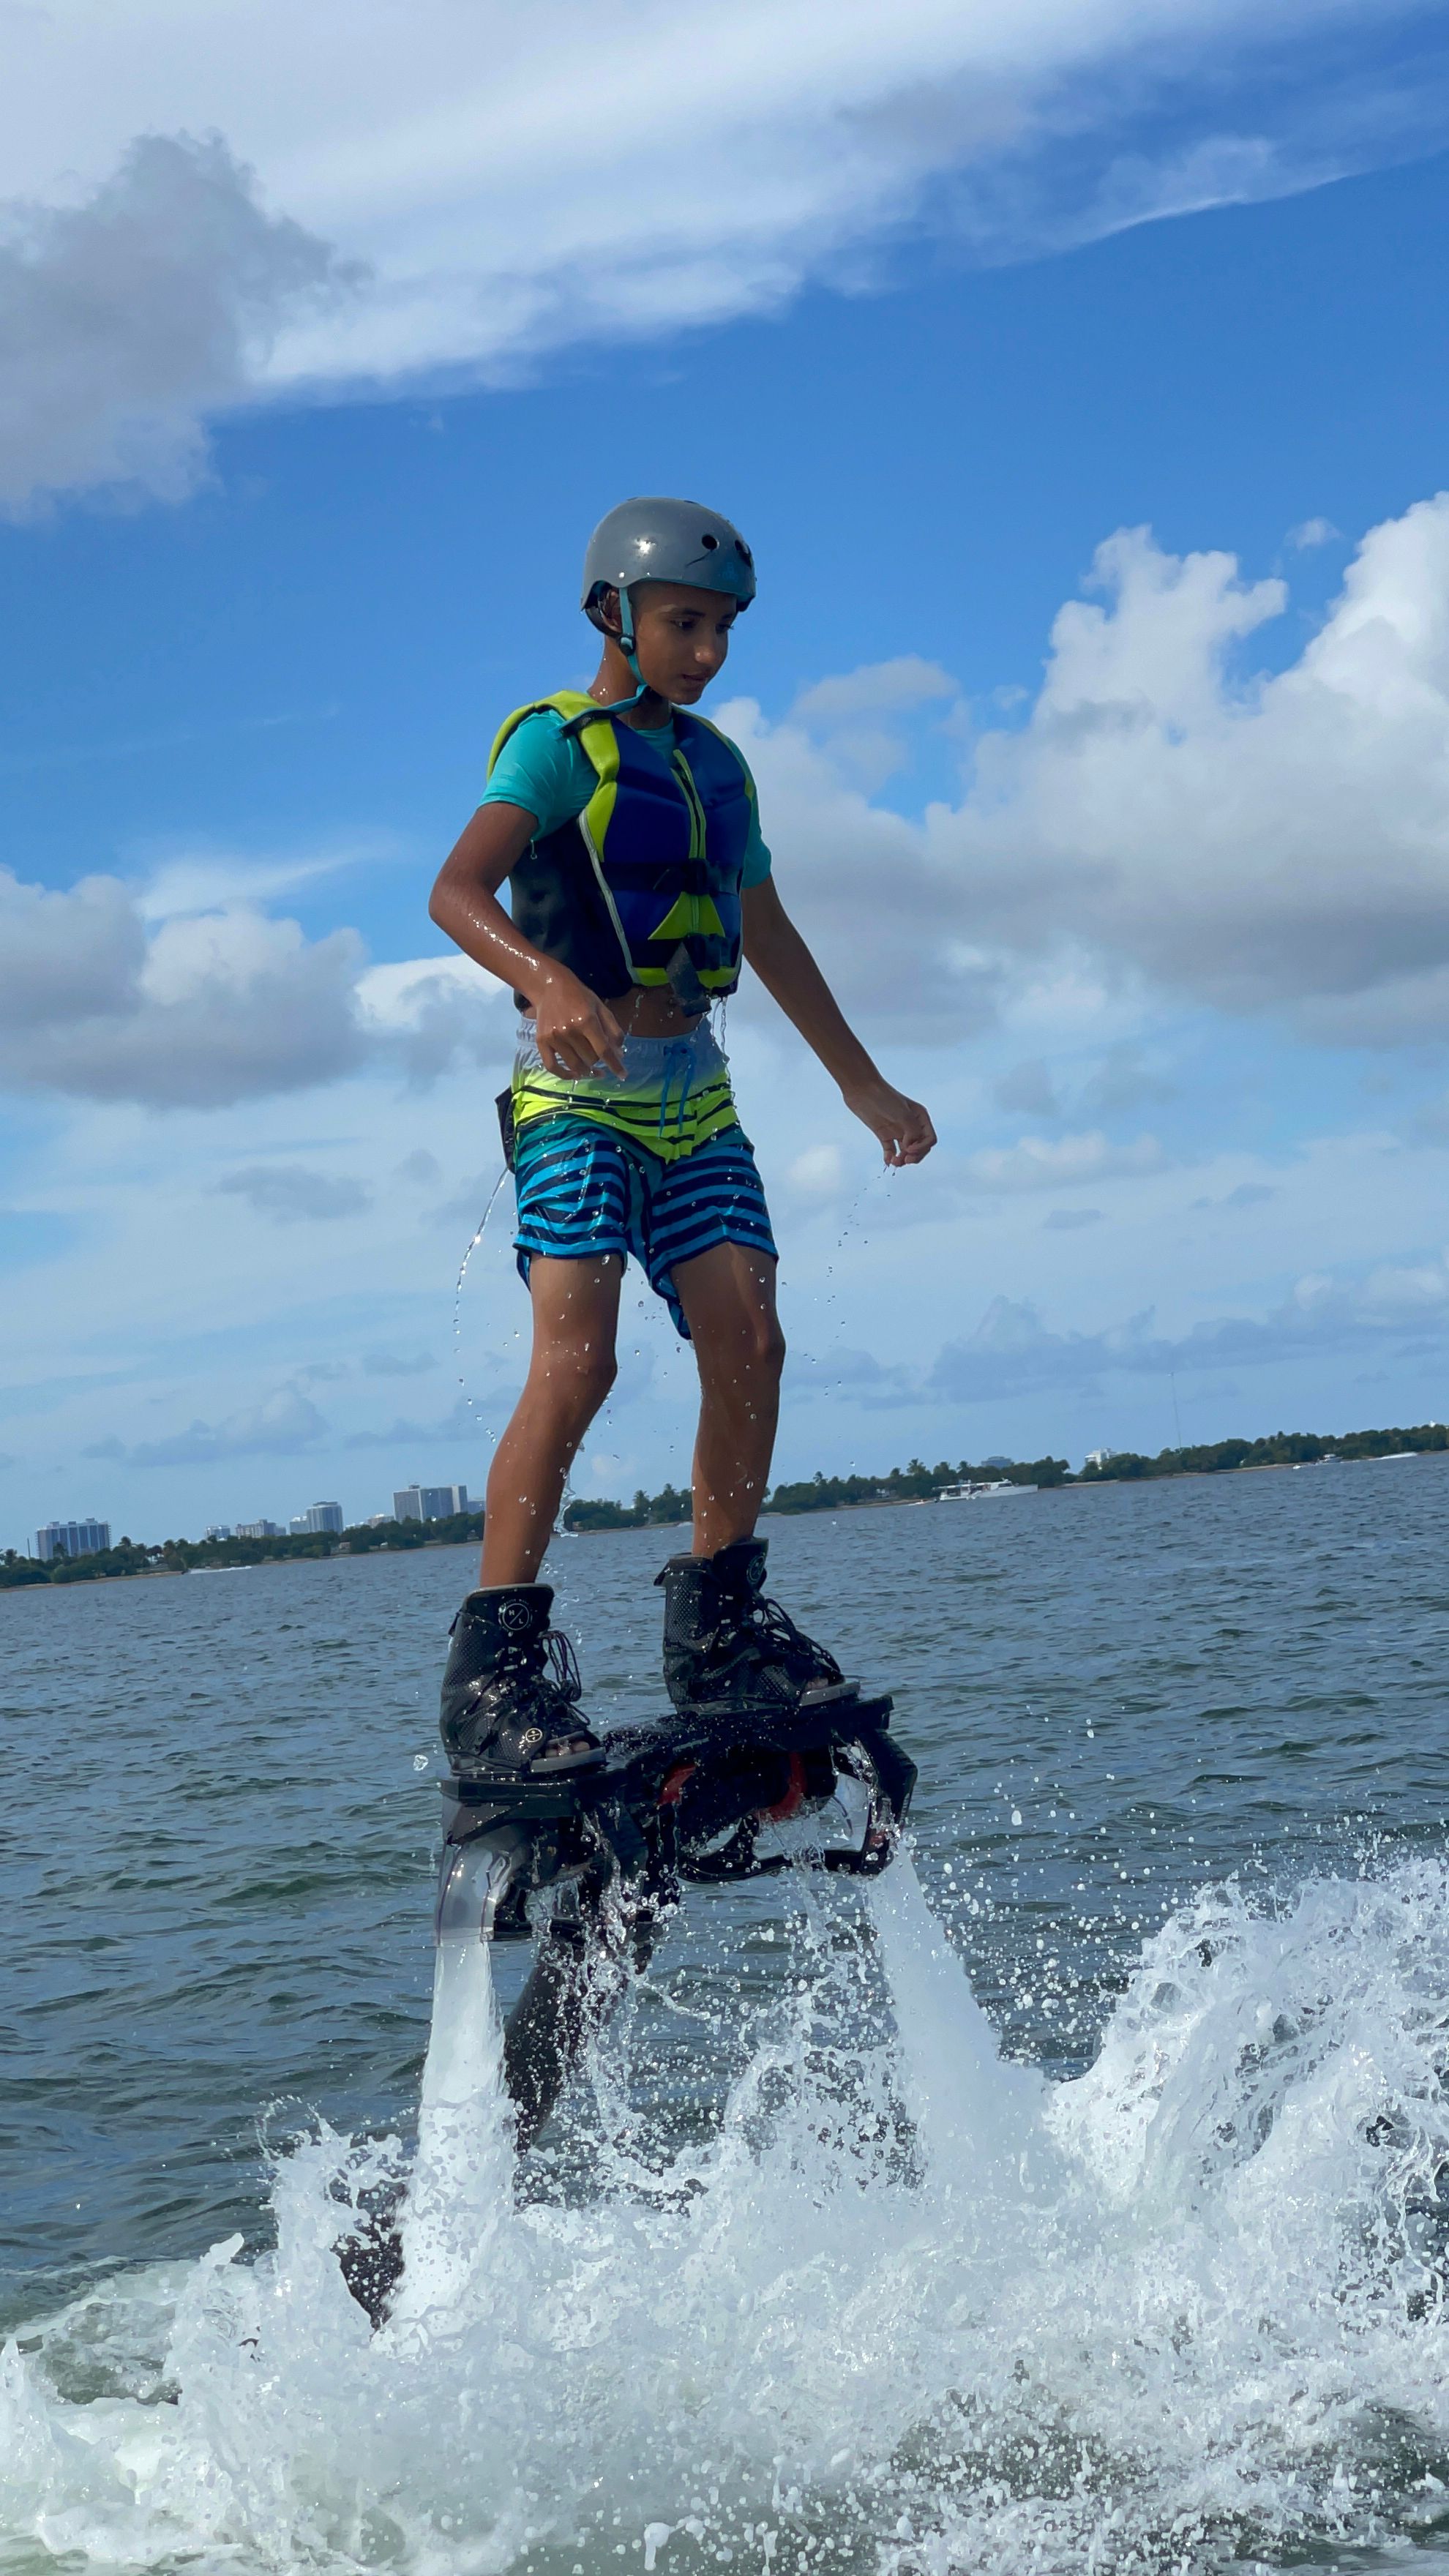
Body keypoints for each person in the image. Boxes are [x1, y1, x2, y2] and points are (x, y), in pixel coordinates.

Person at [428, 498, 935, 1782]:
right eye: (685, 623)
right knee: (581, 1363)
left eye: (723, 629)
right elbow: (454, 890)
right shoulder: (553, 748)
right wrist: (546, 983)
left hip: (695, 1089)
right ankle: (492, 1673)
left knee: (753, 1338)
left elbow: (766, 932)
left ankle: (718, 1628)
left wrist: (862, 1086)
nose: (708, 651)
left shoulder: (719, 768)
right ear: (615, 614)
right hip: (577, 1098)